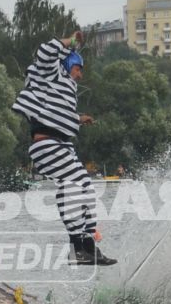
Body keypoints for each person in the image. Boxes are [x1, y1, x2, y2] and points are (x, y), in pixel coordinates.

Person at [12, 30, 115, 265]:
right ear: (68, 66)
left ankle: (87, 248)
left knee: (86, 190)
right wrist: (71, 40)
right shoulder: (51, 75)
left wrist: (78, 119)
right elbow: (46, 52)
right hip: (46, 144)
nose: (80, 75)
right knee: (79, 183)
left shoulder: (66, 88)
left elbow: (54, 113)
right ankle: (77, 249)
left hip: (60, 144)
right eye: (79, 69)